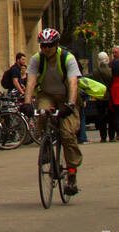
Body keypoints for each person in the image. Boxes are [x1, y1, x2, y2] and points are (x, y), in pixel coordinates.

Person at [22, 27, 82, 195]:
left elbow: (72, 83)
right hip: (47, 94)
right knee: (40, 113)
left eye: (49, 45)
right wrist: (27, 103)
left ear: (56, 44)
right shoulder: (37, 59)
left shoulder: (68, 58)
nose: (46, 49)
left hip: (66, 97)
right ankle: (46, 145)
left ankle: (71, 174)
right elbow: (31, 82)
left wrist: (70, 104)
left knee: (67, 133)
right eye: (43, 46)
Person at [92, 51, 113, 142]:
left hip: (100, 96)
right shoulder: (110, 70)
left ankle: (103, 136)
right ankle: (111, 136)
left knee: (101, 117)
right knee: (110, 116)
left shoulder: (96, 71)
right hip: (109, 96)